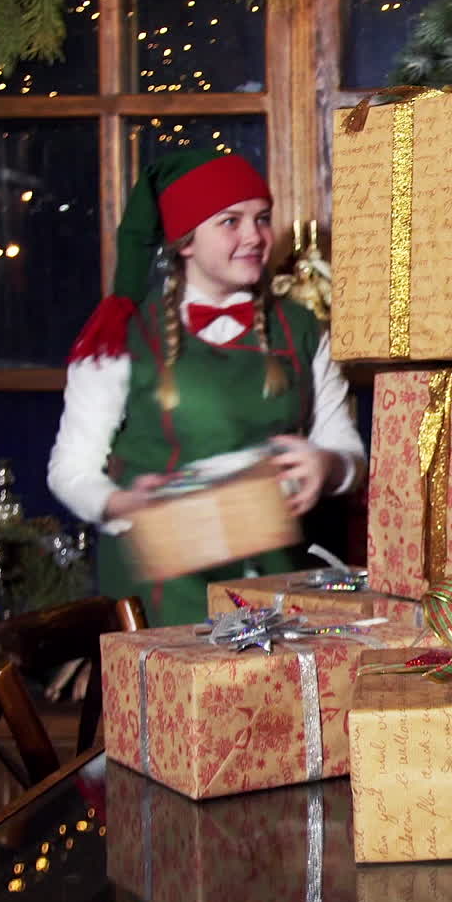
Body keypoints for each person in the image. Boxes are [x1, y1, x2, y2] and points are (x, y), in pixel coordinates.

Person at [48, 148, 366, 625]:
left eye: (262, 219)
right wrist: (121, 502)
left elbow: (347, 453)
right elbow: (69, 470)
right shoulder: (123, 335)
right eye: (230, 221)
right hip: (160, 597)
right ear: (185, 241)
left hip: (276, 587)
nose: (254, 236)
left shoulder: (301, 328)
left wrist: (328, 465)